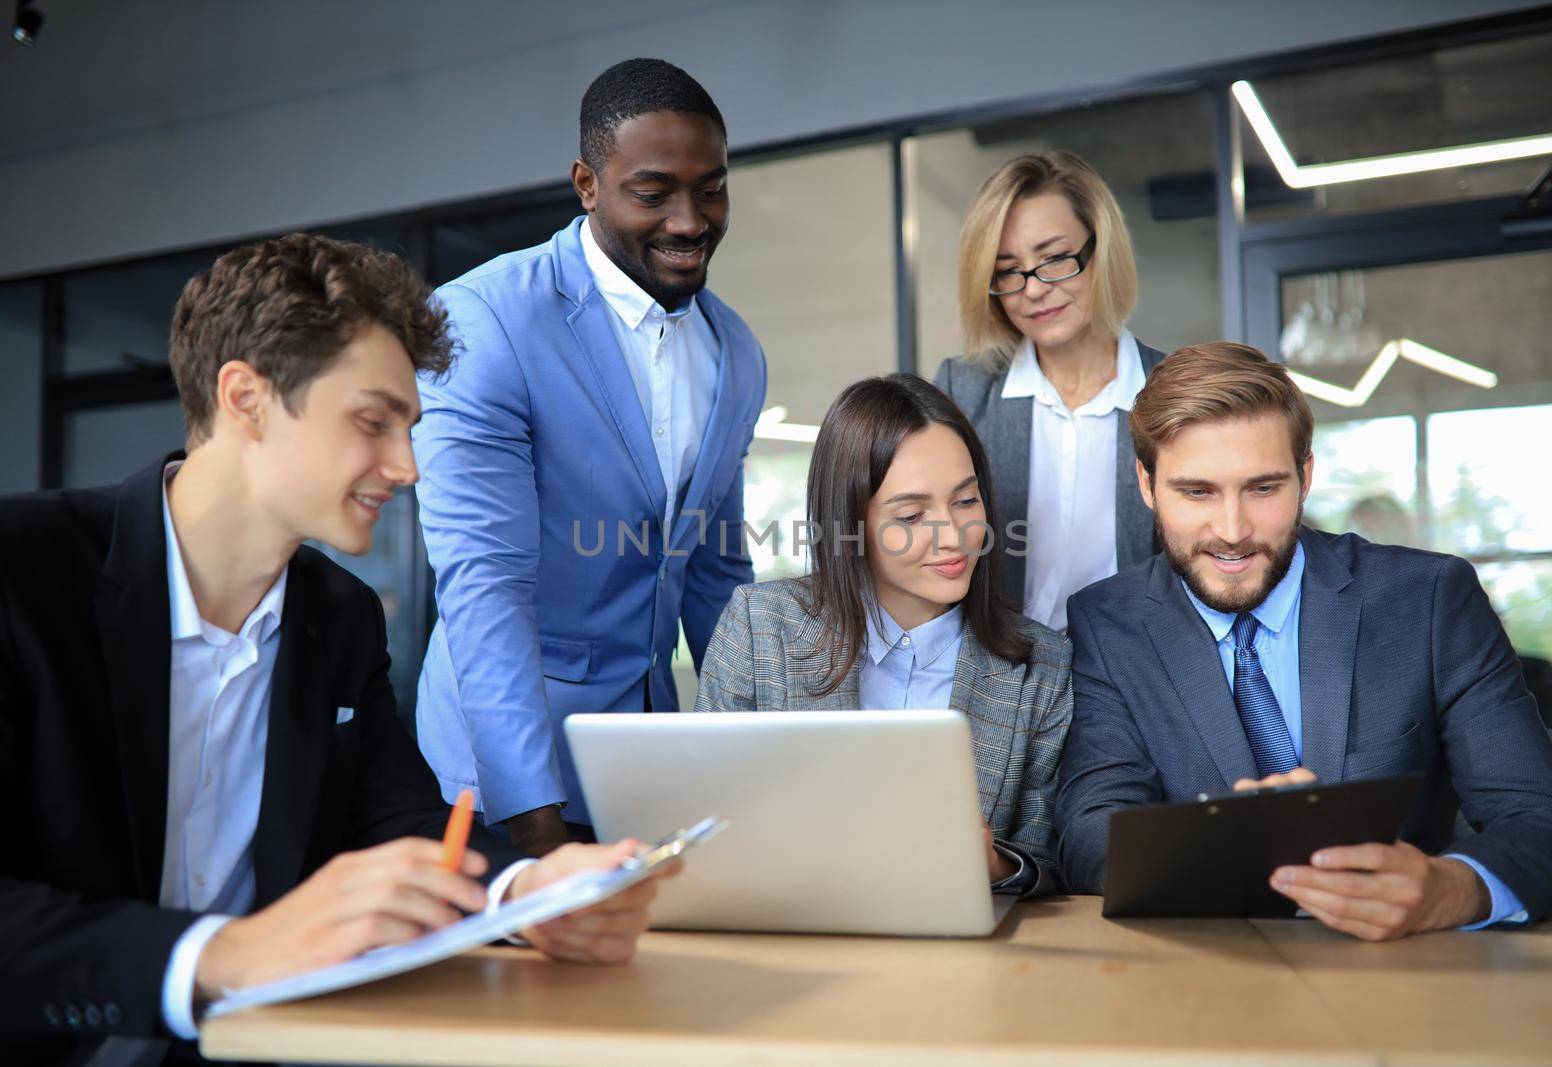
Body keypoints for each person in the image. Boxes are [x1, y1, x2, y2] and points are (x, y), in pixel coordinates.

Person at [0, 235, 671, 1067]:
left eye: (410, 429)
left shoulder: (338, 614)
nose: (407, 466)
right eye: (373, 422)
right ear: (245, 397)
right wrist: (225, 953)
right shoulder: (20, 575)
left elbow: (399, 819)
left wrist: (526, 889)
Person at [1053, 341, 1552, 938]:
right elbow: (1087, 833)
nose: (1232, 532)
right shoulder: (1107, 623)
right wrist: (1236, 847)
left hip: (1411, 983)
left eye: (1263, 489)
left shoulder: (1430, 600)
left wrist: (1450, 888)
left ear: (1306, 476)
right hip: (1206, 988)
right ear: (1147, 485)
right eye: (1197, 492)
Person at [413, 58, 767, 857]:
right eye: (653, 193)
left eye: (711, 188)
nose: (689, 220)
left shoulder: (736, 351)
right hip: (499, 774)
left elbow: (715, 578)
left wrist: (764, 758)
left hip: (644, 763)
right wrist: (538, 833)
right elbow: (486, 586)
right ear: (586, 184)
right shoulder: (483, 323)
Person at [694, 374, 1072, 895]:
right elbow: (707, 823)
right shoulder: (761, 628)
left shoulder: (1041, 666)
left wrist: (993, 863)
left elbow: (1049, 860)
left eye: (965, 502)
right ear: (851, 522)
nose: (953, 536)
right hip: (794, 936)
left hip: (969, 956)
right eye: (912, 515)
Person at [934, 152, 1164, 629]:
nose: (1033, 289)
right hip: (1002, 672)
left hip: (1133, 674)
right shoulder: (963, 391)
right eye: (1007, 270)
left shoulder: (1172, 392)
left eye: (1055, 259)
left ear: (1101, 252)